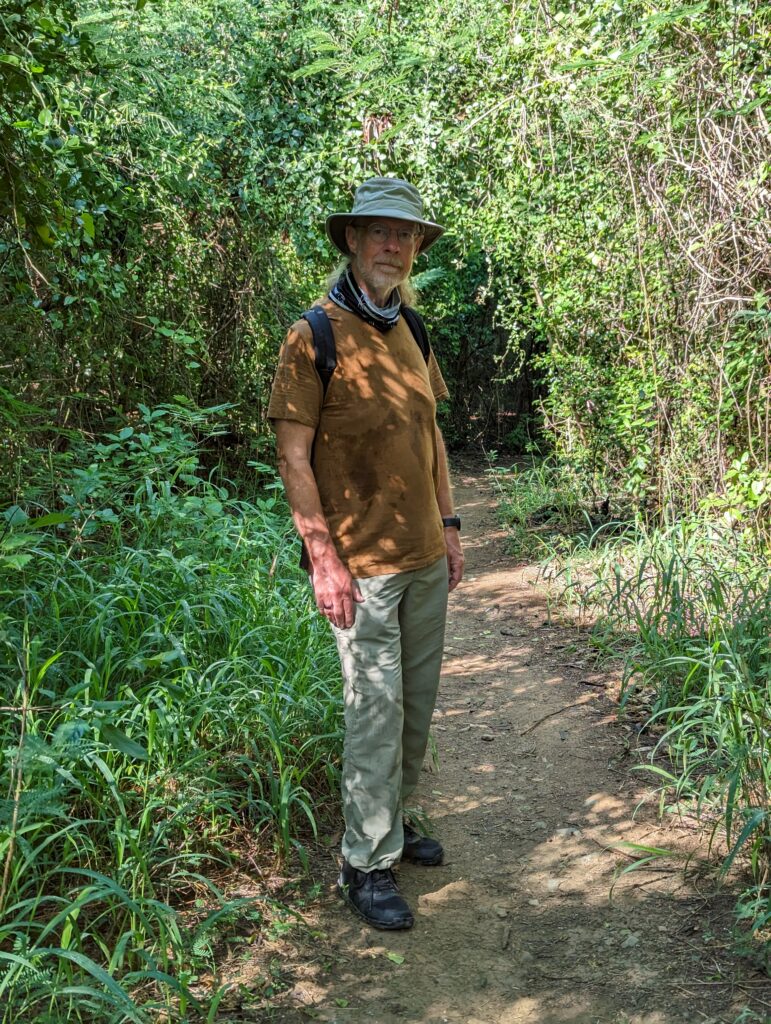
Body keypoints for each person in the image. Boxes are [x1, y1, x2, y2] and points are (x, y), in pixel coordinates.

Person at [268, 177, 464, 930]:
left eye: (405, 234)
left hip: (421, 557)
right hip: (360, 566)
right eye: (379, 231)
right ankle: (363, 861)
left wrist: (448, 525)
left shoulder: (411, 330)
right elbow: (293, 458)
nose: (392, 245)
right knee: (373, 714)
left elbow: (431, 435)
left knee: (413, 710)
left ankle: (394, 820)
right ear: (351, 240)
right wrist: (323, 559)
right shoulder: (311, 335)